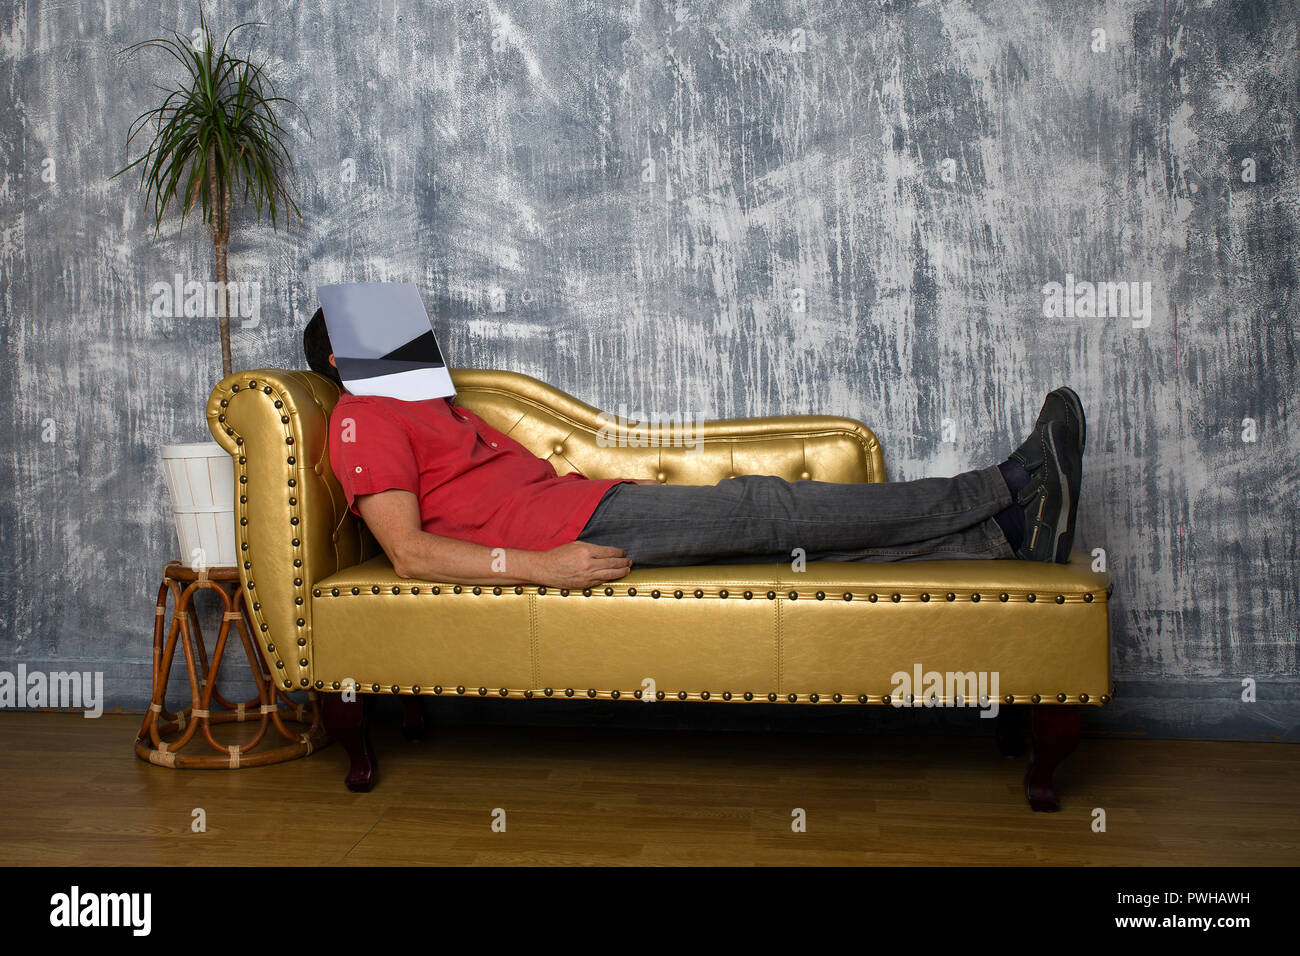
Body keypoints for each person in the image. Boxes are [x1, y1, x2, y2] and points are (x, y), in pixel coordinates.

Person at [303, 309, 1084, 591]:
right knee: (765, 503)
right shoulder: (361, 415)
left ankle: (1003, 538)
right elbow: (406, 553)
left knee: (784, 556)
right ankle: (1005, 486)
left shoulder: (427, 404)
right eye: (375, 328)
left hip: (574, 507)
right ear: (342, 360)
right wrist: (541, 567)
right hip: (563, 531)